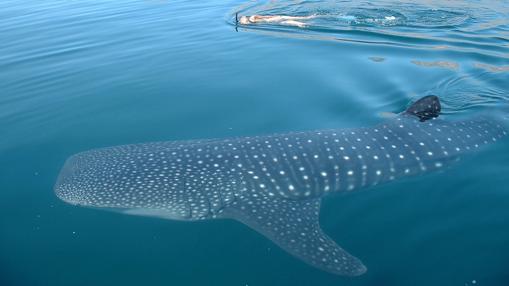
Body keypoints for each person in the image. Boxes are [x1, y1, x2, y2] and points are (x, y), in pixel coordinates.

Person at [238, 14, 316, 28]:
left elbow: (265, 16)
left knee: (288, 22)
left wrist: (275, 17)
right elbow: (265, 16)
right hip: (277, 18)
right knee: (301, 18)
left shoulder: (252, 18)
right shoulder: (251, 20)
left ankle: (302, 24)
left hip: (275, 20)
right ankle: (309, 18)